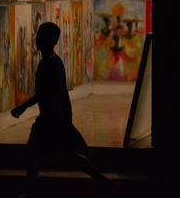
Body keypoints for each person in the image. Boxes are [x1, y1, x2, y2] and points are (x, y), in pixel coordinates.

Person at [11, 22, 115, 198]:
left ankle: (31, 193)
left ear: (45, 40)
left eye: (39, 36)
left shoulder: (48, 64)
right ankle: (104, 182)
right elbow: (47, 92)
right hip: (55, 117)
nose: (36, 39)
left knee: (32, 152)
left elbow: (56, 93)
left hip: (51, 118)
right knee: (68, 155)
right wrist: (25, 106)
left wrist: (58, 119)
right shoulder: (53, 60)